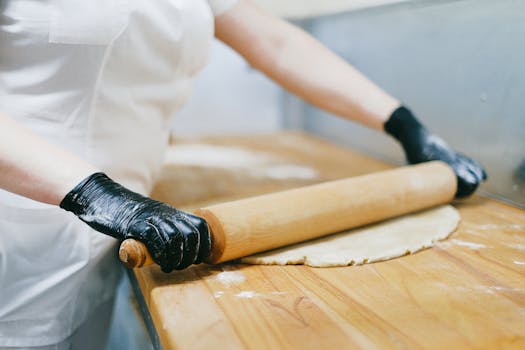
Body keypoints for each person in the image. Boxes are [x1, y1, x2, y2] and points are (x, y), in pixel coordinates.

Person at [0, 0, 486, 348]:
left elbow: (275, 42)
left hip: (111, 236)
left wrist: (404, 124)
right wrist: (96, 195)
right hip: (17, 235)